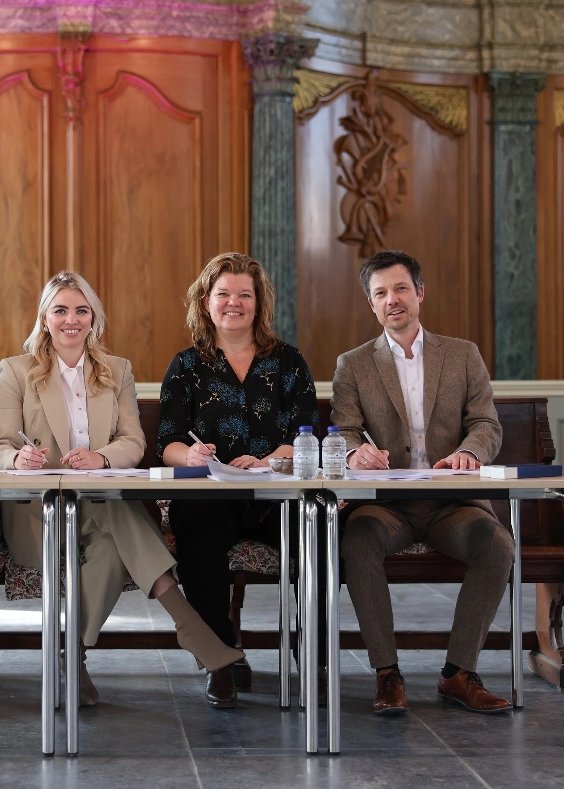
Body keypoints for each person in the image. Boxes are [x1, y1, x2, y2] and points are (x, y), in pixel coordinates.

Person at [0, 271, 243, 707]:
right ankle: (189, 625)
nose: (72, 319)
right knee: (120, 518)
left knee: (110, 535)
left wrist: (101, 459)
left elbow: (133, 442)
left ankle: (72, 657)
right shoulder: (17, 371)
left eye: (81, 310)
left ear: (94, 319)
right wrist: (15, 458)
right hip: (41, 514)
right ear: (45, 318)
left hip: (97, 505)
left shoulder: (116, 370)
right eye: (61, 310)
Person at [331, 249, 512, 715]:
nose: (393, 300)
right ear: (371, 304)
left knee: (497, 545)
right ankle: (387, 674)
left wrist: (469, 453)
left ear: (420, 294)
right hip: (387, 505)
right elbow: (345, 428)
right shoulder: (353, 365)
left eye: (401, 289)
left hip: (452, 502)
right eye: (381, 293)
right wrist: (355, 451)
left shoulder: (462, 354)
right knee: (358, 539)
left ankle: (458, 673)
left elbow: (486, 424)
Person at [156, 253, 319, 706]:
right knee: (197, 529)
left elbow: (306, 434)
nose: (234, 303)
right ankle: (223, 658)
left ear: (258, 303)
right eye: (223, 294)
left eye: (244, 294)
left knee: (321, 529)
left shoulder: (288, 362)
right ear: (205, 302)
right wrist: (189, 454)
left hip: (277, 494)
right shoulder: (186, 366)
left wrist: (267, 461)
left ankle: (313, 654)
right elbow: (166, 442)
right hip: (213, 494)